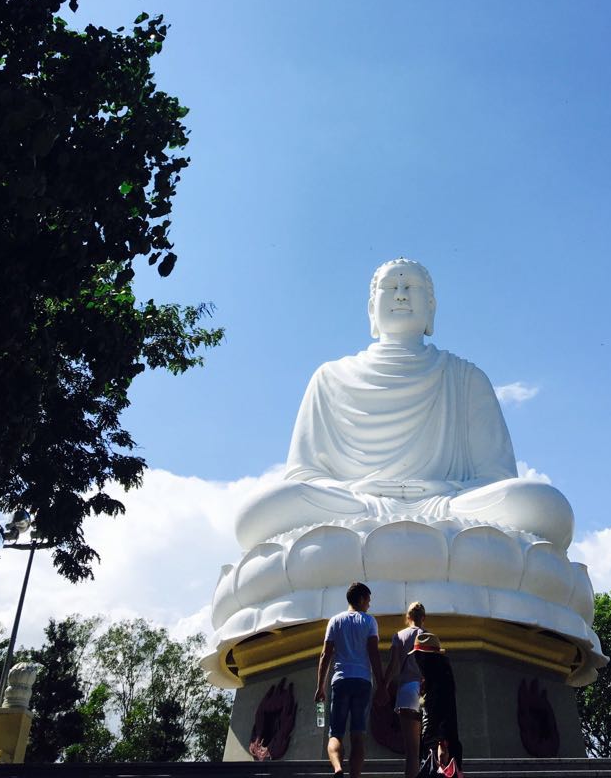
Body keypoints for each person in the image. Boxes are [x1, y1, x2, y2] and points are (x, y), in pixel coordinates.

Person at [234, 259, 575, 556]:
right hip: (355, 506)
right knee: (257, 513)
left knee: (542, 505)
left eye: (410, 286)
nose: (399, 294)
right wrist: (362, 492)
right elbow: (304, 475)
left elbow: (495, 478)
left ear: (431, 308)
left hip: (447, 508)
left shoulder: (465, 377)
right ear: (371, 308)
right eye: (390, 287)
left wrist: (442, 491)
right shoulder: (330, 377)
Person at [315, 581, 387, 778]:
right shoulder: (369, 621)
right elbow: (374, 654)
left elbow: (325, 655)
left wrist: (320, 686)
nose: (369, 605)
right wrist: (381, 685)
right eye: (368, 601)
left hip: (340, 679)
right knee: (358, 735)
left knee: (336, 732)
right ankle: (354, 775)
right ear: (362, 599)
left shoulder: (335, 621)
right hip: (363, 680)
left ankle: (338, 767)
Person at [383, 601, 426, 778]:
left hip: (407, 690)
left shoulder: (398, 636)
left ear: (407, 617)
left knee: (412, 752)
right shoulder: (428, 636)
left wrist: (383, 687)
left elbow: (393, 666)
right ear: (423, 618)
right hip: (425, 691)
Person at [411, 633, 462, 776]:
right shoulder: (430, 679)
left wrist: (442, 744)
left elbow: (446, 711)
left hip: (438, 746)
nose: (416, 660)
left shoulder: (441, 679)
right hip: (428, 745)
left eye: (418, 655)